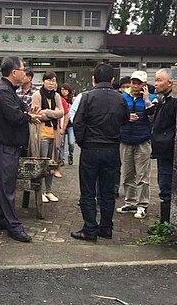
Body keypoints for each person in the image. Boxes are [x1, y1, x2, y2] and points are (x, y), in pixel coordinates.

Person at [71, 63, 129, 241]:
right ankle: (106, 227)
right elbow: (125, 119)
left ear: (93, 79)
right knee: (107, 191)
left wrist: (83, 142)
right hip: (111, 148)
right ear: (112, 79)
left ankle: (89, 229)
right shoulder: (120, 98)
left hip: (90, 148)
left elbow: (78, 123)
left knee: (88, 190)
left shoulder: (87, 97)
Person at [0, 56, 42, 242]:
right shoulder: (3, 90)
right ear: (13, 72)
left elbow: (22, 109)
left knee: (3, 184)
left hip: (9, 145)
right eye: (22, 69)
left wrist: (28, 114)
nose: (24, 72)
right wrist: (27, 117)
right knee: (7, 187)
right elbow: (14, 115)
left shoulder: (9, 90)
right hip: (5, 145)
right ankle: (13, 225)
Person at [116, 70, 156, 219]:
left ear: (144, 84)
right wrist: (126, 118)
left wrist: (146, 100)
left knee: (142, 175)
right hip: (125, 140)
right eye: (134, 82)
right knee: (127, 174)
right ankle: (130, 202)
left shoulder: (152, 98)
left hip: (143, 141)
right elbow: (116, 116)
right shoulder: (122, 98)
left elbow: (153, 118)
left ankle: (142, 204)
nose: (135, 85)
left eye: (139, 83)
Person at [146, 68, 177, 223]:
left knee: (166, 187)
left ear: (170, 82)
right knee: (163, 185)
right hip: (162, 150)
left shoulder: (174, 102)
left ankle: (166, 224)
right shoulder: (163, 99)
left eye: (159, 80)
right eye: (156, 80)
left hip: (168, 151)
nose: (155, 84)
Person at [31, 72, 64, 203]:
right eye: (49, 80)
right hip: (42, 133)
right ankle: (40, 190)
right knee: (42, 164)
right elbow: (37, 115)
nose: (51, 83)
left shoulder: (56, 96)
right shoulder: (37, 95)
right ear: (43, 81)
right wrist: (53, 113)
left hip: (54, 134)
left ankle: (48, 190)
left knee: (52, 164)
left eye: (53, 81)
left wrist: (48, 112)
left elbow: (61, 112)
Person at [58, 82, 75, 167]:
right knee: (61, 142)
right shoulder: (59, 99)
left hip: (71, 125)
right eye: (62, 89)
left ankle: (71, 155)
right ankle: (61, 159)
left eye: (65, 90)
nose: (63, 91)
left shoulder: (72, 100)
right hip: (62, 123)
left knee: (71, 142)